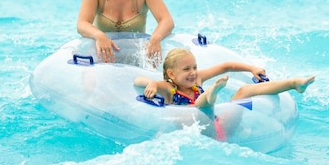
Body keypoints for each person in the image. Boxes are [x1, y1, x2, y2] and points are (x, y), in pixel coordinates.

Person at [134, 48, 315, 109]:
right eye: (186, 69)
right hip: (196, 124)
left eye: (195, 67)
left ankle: (294, 84)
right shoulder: (167, 87)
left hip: (218, 123)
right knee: (200, 105)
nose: (193, 72)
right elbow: (138, 81)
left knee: (244, 91)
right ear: (172, 74)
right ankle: (213, 93)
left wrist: (252, 68)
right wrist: (151, 84)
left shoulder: (198, 80)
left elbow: (227, 66)